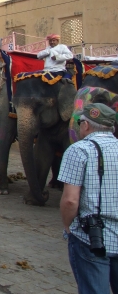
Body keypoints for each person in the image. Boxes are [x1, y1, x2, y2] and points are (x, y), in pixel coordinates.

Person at [58, 103, 118, 293]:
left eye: (79, 121)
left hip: (91, 237)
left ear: (86, 125)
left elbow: (70, 200)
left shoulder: (79, 150)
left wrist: (68, 227)